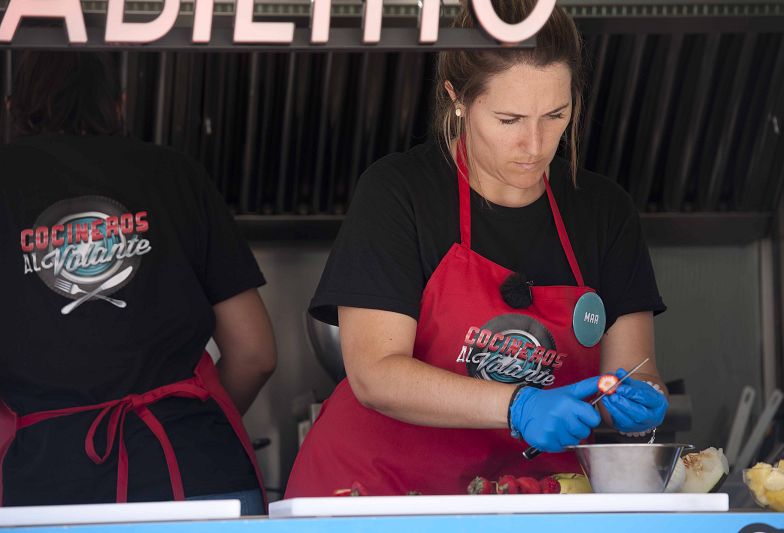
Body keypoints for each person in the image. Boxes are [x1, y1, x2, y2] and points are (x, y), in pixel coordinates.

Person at [286, 2, 669, 497]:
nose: (535, 144)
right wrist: (519, 406)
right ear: (457, 98)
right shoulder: (400, 193)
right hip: (377, 494)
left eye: (556, 114)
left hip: (525, 498)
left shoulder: (603, 212)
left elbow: (635, 370)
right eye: (509, 119)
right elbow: (376, 374)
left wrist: (642, 400)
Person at [0, 52, 277, 514]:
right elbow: (255, 353)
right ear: (120, 105)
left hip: (45, 492)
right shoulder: (176, 173)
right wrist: (191, 422)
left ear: (11, 107)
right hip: (196, 475)